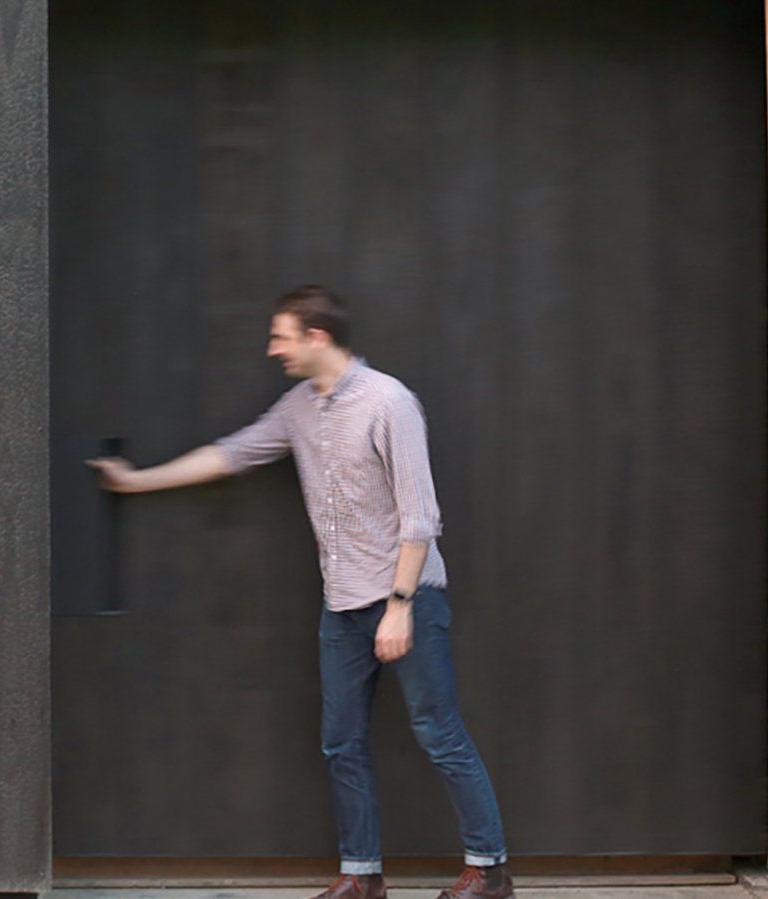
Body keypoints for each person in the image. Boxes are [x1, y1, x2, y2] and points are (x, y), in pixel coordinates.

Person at [86, 285, 512, 899]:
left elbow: (421, 517)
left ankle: (489, 870)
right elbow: (232, 454)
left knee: (439, 734)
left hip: (406, 599)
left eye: (281, 336)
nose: (272, 349)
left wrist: (399, 608)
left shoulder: (389, 402)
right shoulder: (298, 408)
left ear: (317, 337)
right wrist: (136, 483)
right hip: (340, 607)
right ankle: (361, 877)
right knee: (341, 744)